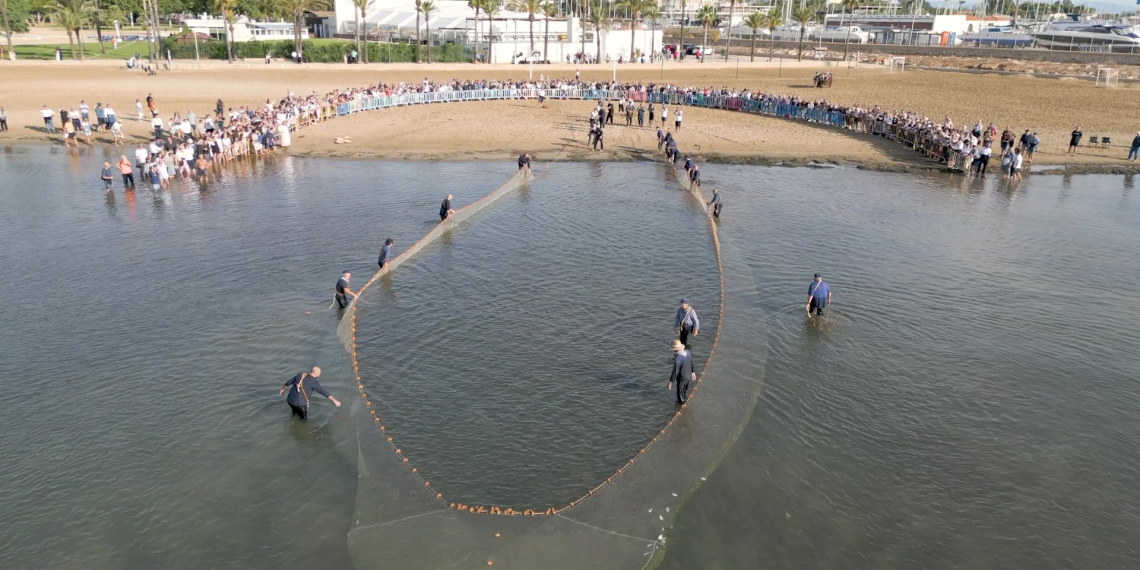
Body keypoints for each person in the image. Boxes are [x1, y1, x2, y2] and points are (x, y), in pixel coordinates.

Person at [667, 339, 695, 404]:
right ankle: (684, 401)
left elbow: (675, 371)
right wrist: (693, 372)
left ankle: (682, 406)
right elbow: (691, 363)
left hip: (682, 379)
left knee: (680, 396)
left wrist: (670, 382)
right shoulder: (688, 352)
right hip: (688, 377)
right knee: (684, 391)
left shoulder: (678, 358)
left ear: (674, 349)